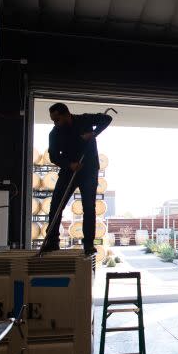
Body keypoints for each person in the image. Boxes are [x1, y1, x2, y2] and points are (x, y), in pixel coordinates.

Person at [44, 103, 112, 254]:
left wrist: (93, 133)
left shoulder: (84, 120)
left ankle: (88, 244)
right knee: (56, 204)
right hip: (69, 171)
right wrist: (69, 164)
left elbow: (107, 118)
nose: (55, 123)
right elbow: (54, 156)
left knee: (89, 207)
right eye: (53, 120)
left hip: (89, 170)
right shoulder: (54, 133)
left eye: (57, 119)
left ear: (66, 114)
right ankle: (53, 241)